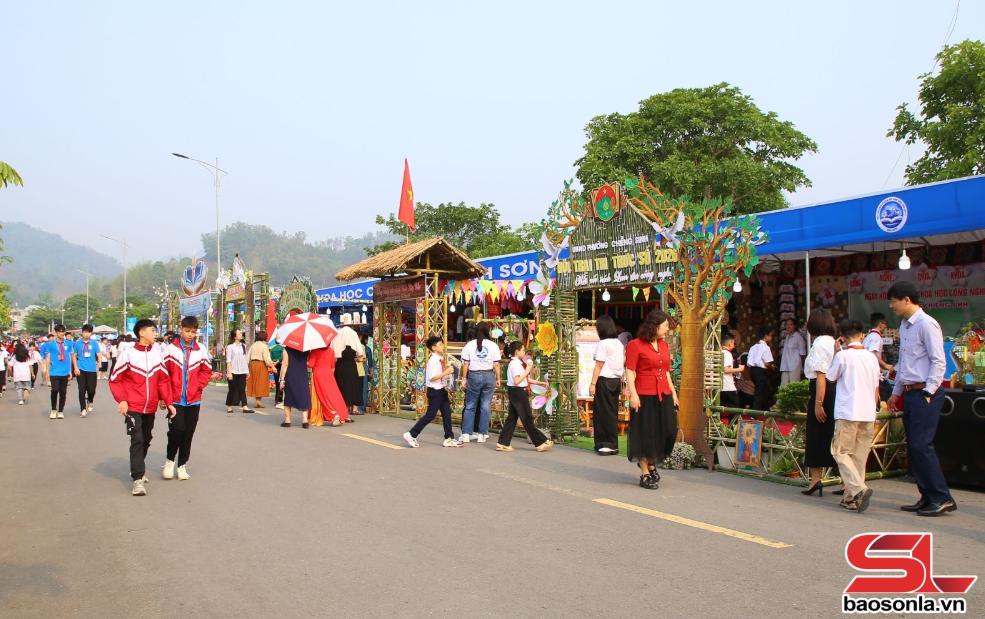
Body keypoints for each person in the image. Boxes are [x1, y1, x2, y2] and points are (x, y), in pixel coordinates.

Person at [887, 281, 955, 517]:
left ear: (907, 300)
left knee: (921, 445)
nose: (891, 306)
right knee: (913, 447)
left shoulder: (927, 324)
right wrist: (896, 392)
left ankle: (942, 497)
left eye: (894, 301)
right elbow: (904, 363)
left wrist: (929, 391)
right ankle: (926, 496)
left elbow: (939, 361)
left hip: (925, 393)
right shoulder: (905, 326)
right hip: (910, 392)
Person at [109, 319, 175, 497]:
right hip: (133, 405)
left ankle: (137, 467)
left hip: (150, 406)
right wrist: (122, 400)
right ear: (141, 332)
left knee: (146, 438)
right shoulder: (128, 354)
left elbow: (163, 380)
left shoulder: (157, 354)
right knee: (137, 439)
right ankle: (138, 479)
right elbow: (115, 379)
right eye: (152, 330)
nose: (155, 333)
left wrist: (167, 401)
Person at [826, 319, 880, 513]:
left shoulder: (843, 356)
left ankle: (858, 489)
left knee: (840, 452)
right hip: (868, 412)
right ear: (862, 335)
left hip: (848, 411)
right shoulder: (871, 358)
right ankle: (851, 497)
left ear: (842, 337)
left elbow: (831, 377)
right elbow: (876, 387)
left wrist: (835, 352)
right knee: (859, 456)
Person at [625, 310, 679, 490]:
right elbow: (630, 370)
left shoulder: (664, 345)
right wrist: (633, 394)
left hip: (663, 393)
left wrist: (673, 393)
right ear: (654, 326)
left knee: (668, 430)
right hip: (644, 394)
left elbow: (666, 372)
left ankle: (651, 461)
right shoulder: (635, 345)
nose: (667, 329)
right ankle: (645, 471)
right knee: (645, 433)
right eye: (665, 326)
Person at [161, 316, 213, 481]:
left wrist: (198, 385)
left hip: (193, 399)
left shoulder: (201, 349)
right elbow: (163, 375)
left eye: (193, 331)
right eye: (187, 331)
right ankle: (170, 461)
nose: (190, 334)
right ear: (180, 330)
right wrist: (163, 397)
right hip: (175, 399)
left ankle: (182, 465)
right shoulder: (170, 349)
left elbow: (206, 370)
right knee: (177, 430)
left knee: (188, 433)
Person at [801, 309, 838, 497]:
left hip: (822, 390)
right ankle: (845, 481)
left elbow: (820, 376)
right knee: (834, 435)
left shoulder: (819, 344)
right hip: (835, 390)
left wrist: (818, 403)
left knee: (816, 434)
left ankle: (815, 479)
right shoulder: (834, 342)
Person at [403, 336, 462, 448]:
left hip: (441, 390)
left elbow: (439, 376)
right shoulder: (433, 361)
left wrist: (447, 376)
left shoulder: (439, 359)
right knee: (430, 415)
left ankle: (449, 438)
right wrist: (447, 372)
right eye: (440, 344)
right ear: (433, 347)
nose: (442, 346)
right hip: (435, 391)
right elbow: (432, 378)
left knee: (447, 413)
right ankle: (411, 434)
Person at [497, 340, 553, 453]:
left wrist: (540, 383)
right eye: (522, 350)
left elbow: (524, 379)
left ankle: (503, 443)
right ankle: (541, 442)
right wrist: (528, 369)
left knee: (512, 418)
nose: (524, 352)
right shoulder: (515, 364)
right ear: (517, 351)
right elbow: (517, 380)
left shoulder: (516, 363)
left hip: (516, 391)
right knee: (527, 418)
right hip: (518, 392)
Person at [459, 322, 501, 443]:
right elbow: (496, 364)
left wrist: (464, 378)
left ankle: (466, 434)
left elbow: (465, 363)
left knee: (470, 405)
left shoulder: (469, 345)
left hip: (474, 375)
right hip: (489, 375)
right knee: (485, 406)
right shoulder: (493, 345)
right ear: (488, 331)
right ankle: (482, 434)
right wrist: (498, 379)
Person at [589, 315, 624, 455]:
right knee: (612, 411)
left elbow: (599, 365)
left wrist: (592, 384)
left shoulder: (603, 344)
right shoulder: (618, 343)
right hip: (616, 381)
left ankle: (605, 443)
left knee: (602, 412)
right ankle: (612, 443)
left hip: (604, 380)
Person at [331, 314, 365, 418]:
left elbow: (333, 351)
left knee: (341, 387)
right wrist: (359, 358)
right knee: (352, 387)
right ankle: (352, 409)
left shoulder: (337, 333)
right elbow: (360, 352)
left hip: (339, 364)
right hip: (350, 365)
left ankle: (342, 410)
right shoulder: (353, 333)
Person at [307, 346, 349, 427]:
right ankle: (340, 412)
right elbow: (332, 366)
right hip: (329, 374)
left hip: (318, 374)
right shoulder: (331, 351)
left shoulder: (315, 351)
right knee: (333, 395)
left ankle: (333, 415)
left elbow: (311, 364)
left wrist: (307, 360)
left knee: (321, 395)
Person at [41, 325, 73, 420]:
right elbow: (48, 358)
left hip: (65, 371)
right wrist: (47, 372)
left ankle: (60, 411)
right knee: (54, 390)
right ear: (56, 333)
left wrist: (70, 371)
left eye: (63, 331)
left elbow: (69, 357)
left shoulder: (68, 343)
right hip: (54, 371)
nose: (61, 333)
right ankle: (53, 409)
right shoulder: (50, 344)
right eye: (59, 331)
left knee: (63, 392)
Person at [71, 324, 102, 417]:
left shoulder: (94, 343)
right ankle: (83, 409)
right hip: (81, 369)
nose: (86, 334)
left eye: (89, 332)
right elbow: (74, 356)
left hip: (92, 369)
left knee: (91, 390)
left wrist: (99, 362)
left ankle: (90, 400)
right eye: (85, 332)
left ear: (91, 333)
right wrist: (75, 368)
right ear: (82, 332)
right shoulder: (77, 343)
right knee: (81, 390)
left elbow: (99, 354)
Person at [279, 344, 310, 428]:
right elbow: (308, 362)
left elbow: (285, 364)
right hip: (302, 375)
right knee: (304, 395)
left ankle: (287, 420)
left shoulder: (286, 349)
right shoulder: (306, 349)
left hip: (290, 375)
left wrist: (282, 379)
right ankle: (305, 420)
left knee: (288, 396)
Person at [746, 328, 775, 411]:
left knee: (763, 390)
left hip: (752, 371)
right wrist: (772, 367)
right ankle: (754, 413)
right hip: (760, 371)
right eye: (770, 336)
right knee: (759, 392)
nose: (771, 337)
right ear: (766, 336)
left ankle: (765, 409)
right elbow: (767, 363)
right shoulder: (765, 347)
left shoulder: (753, 347)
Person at [225, 329, 252, 414]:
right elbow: (228, 361)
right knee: (232, 389)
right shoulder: (230, 347)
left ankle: (245, 406)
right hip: (233, 371)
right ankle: (229, 406)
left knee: (242, 389)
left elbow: (244, 360)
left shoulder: (243, 346)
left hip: (242, 371)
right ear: (235, 336)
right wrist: (229, 373)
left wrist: (247, 371)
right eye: (239, 333)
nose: (241, 334)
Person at [246, 331, 275, 409]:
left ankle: (257, 401)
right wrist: (272, 365)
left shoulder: (253, 345)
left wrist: (247, 366)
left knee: (255, 382)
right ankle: (258, 401)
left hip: (253, 364)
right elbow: (266, 358)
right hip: (261, 364)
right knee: (261, 382)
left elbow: (248, 357)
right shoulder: (264, 346)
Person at [720, 334, 745, 410]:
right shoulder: (727, 354)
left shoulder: (720, 352)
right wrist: (740, 369)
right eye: (734, 344)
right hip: (727, 385)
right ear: (730, 344)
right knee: (735, 408)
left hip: (719, 385)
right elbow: (726, 370)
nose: (734, 346)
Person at [779, 319, 806, 386]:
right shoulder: (787, 337)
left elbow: (802, 354)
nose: (788, 326)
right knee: (783, 388)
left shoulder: (798, 337)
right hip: (785, 366)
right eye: (787, 324)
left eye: (791, 324)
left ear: (795, 326)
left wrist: (804, 368)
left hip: (794, 367)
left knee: (794, 387)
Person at [270, 339, 285, 410]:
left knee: (277, 383)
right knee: (281, 382)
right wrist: (278, 361)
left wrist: (274, 362)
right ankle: (280, 399)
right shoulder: (282, 348)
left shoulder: (272, 348)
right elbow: (282, 357)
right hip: (281, 366)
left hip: (275, 366)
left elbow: (270, 357)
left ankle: (276, 400)